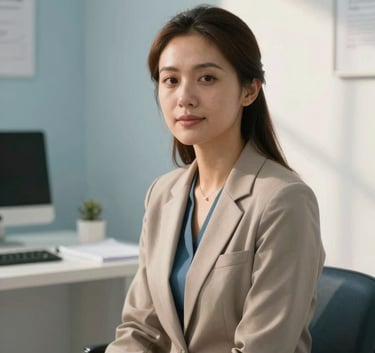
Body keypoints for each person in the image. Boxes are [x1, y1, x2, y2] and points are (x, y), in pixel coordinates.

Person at [106, 5, 325, 353]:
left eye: (206, 78)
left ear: (249, 91)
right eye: (171, 80)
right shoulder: (163, 194)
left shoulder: (284, 200)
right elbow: (140, 331)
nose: (184, 98)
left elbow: (262, 348)